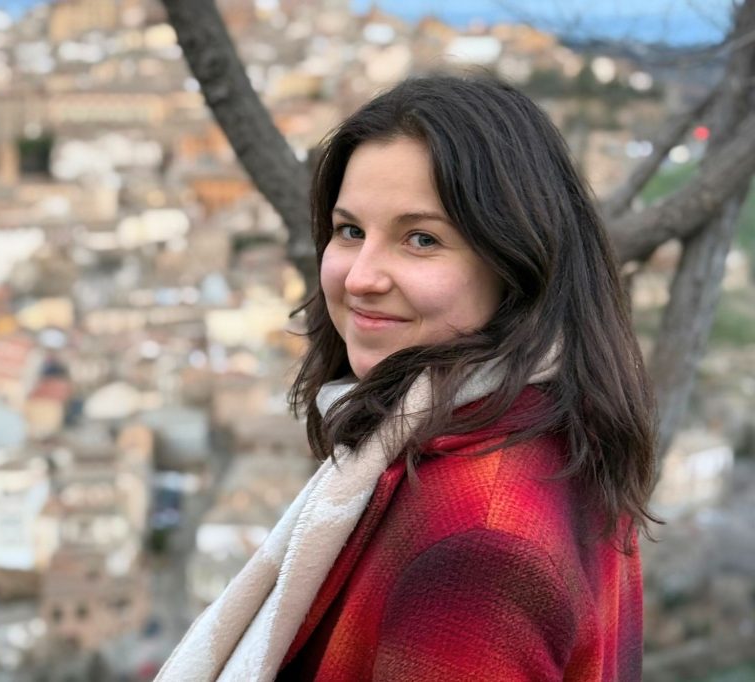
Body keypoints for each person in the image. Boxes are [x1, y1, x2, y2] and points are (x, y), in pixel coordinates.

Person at [156, 74, 657, 682]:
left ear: (518, 262)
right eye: (350, 231)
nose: (361, 276)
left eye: (421, 239)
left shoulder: (478, 548)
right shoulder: (546, 431)